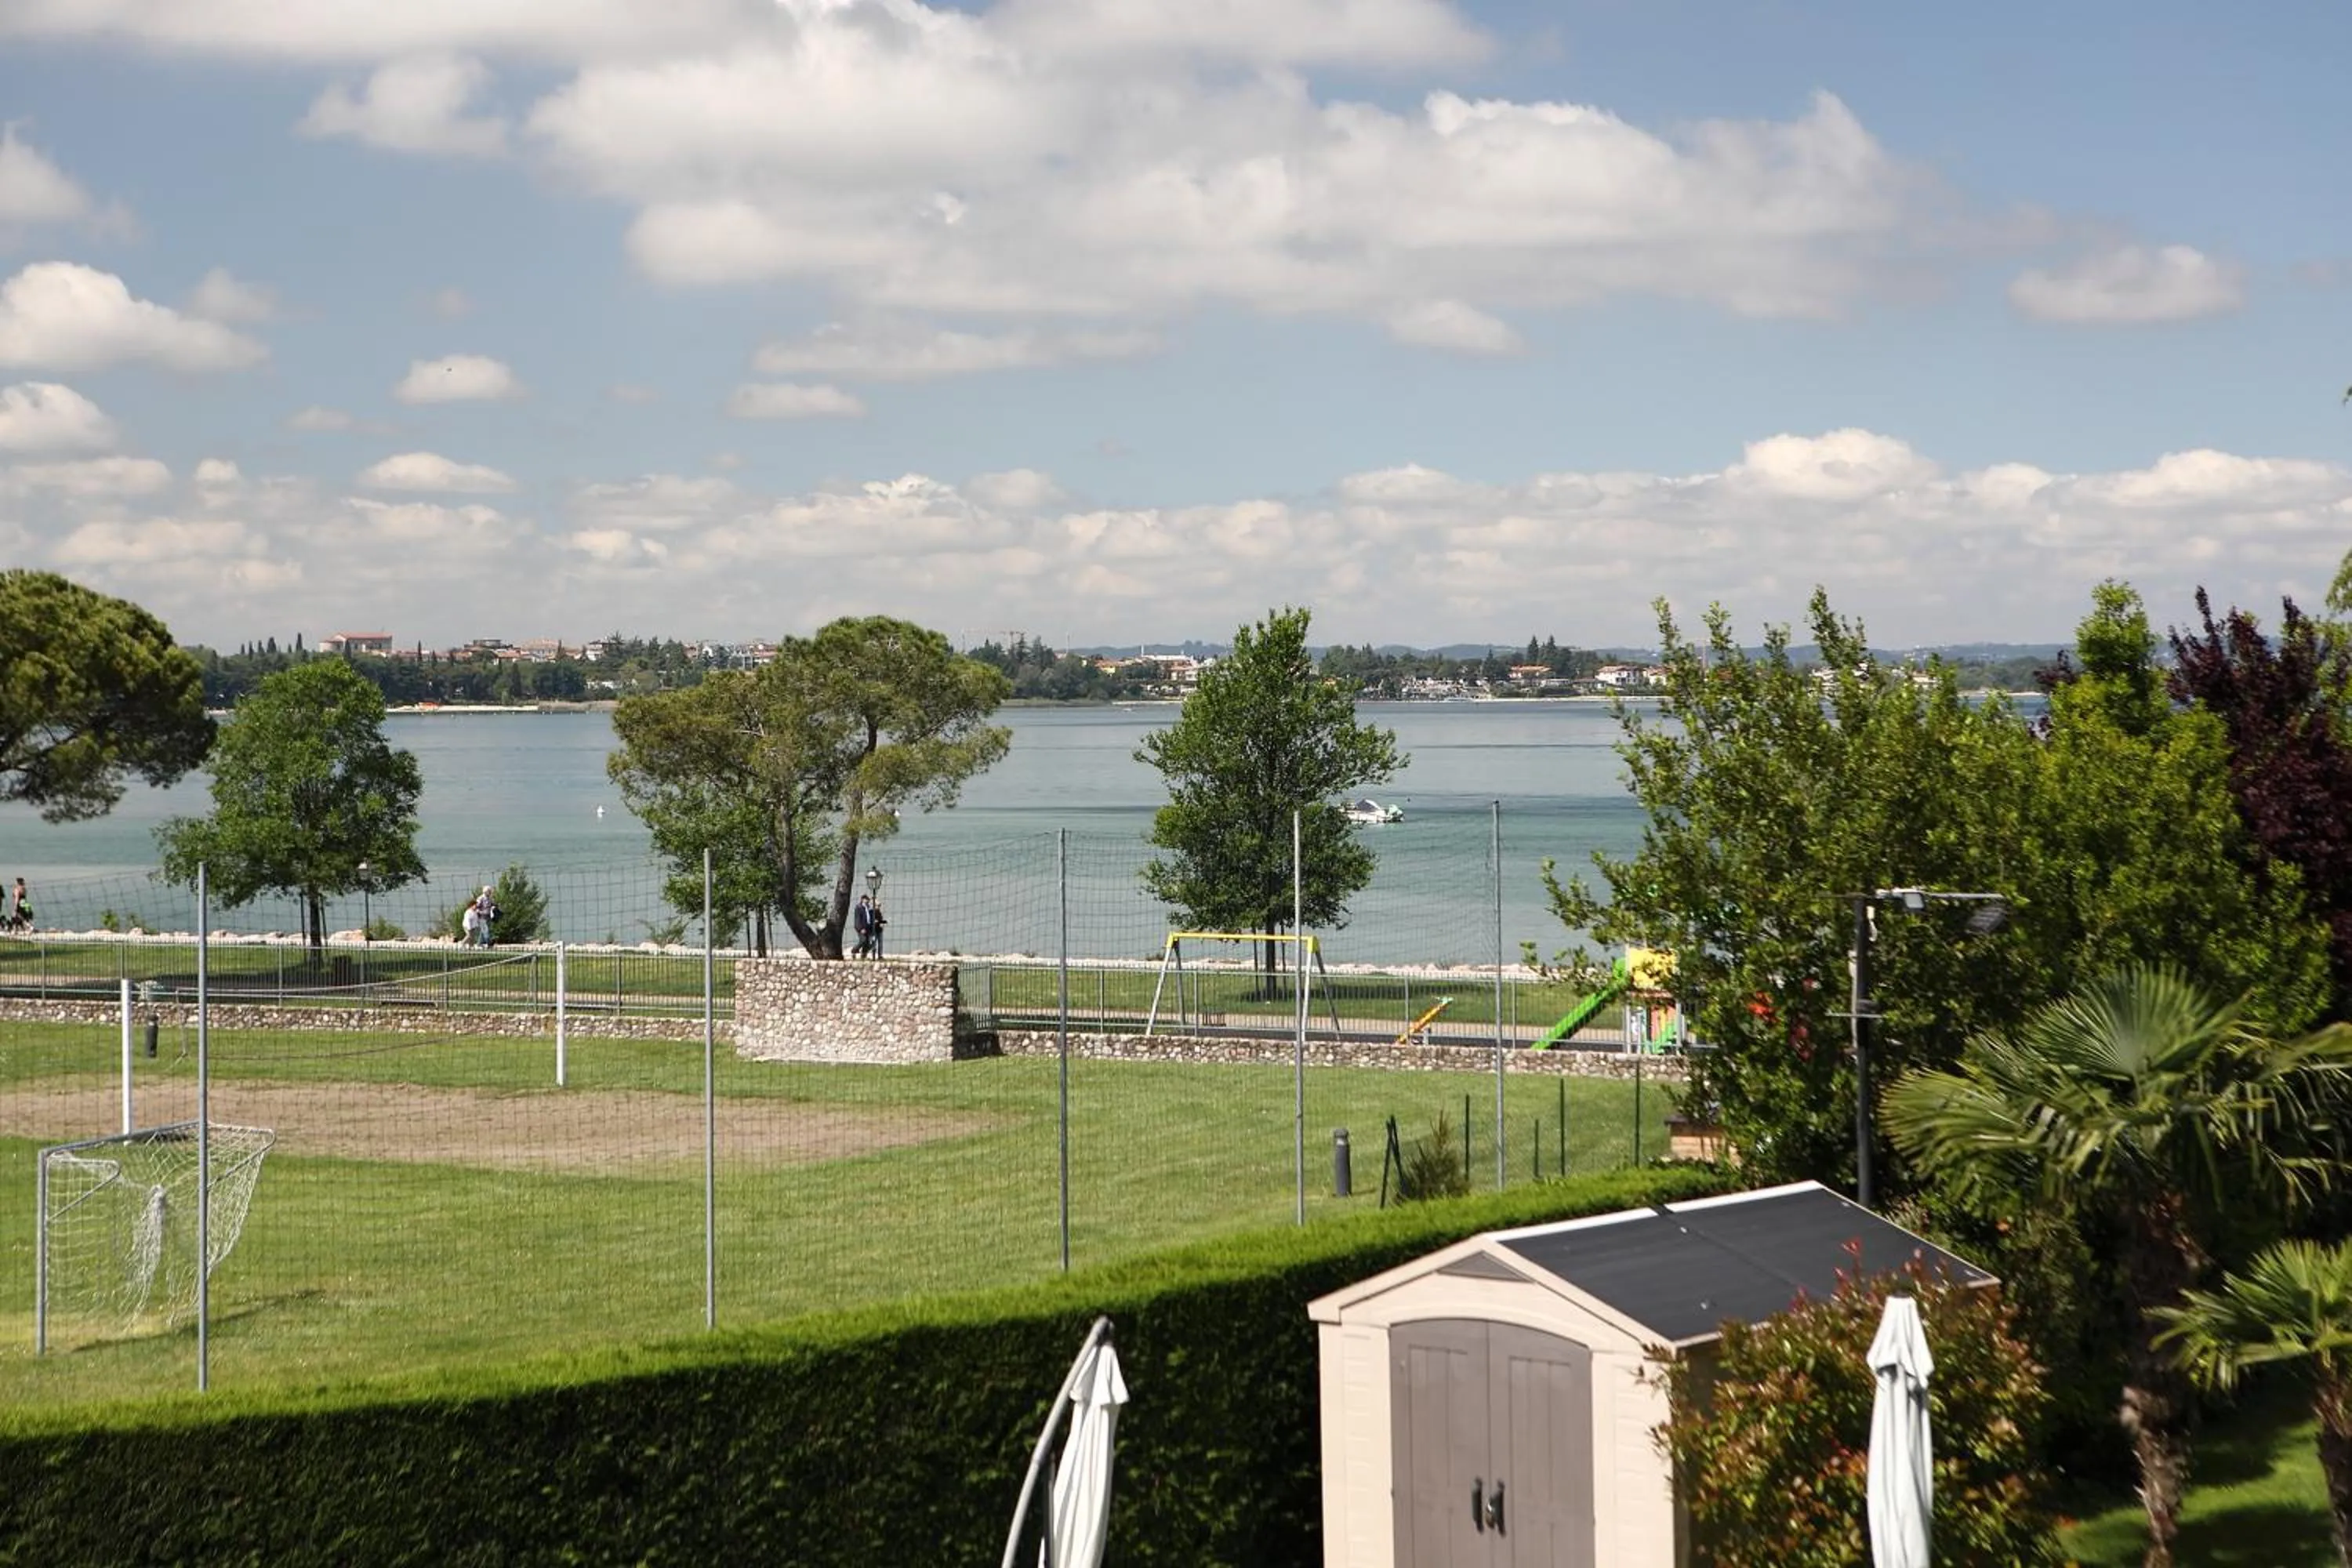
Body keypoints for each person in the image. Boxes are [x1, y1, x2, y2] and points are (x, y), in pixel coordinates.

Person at [851, 894, 875, 959]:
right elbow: (858, 919)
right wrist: (861, 928)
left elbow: (870, 917)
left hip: (868, 928)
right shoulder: (859, 907)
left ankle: (863, 956)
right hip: (861, 928)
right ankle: (854, 950)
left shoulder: (868, 908)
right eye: (866, 899)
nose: (867, 901)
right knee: (863, 940)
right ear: (862, 900)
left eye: (868, 900)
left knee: (868, 943)